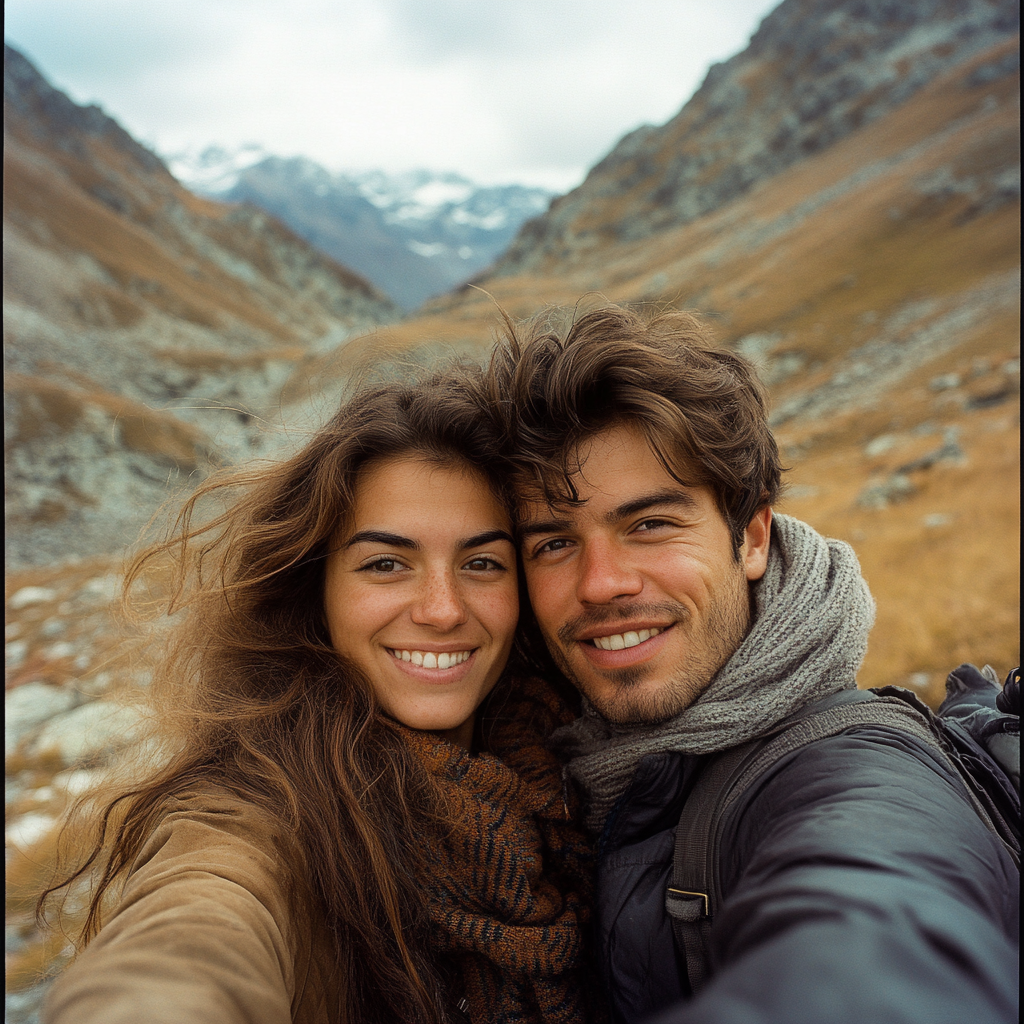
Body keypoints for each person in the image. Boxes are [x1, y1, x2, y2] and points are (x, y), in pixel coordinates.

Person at [484, 304, 1019, 1024]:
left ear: (753, 537)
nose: (601, 583)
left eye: (650, 525)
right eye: (553, 542)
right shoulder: (549, 757)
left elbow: (876, 938)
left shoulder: (851, 768)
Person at [40, 366, 598, 1024]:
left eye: (481, 563)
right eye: (386, 563)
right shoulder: (259, 808)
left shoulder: (577, 768)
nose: (444, 610)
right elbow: (193, 932)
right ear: (317, 591)